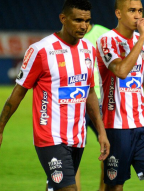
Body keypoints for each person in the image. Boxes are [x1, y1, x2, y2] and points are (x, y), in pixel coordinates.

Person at [0, 0, 110, 191]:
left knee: (55, 187)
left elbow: (90, 93)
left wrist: (102, 132)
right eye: (78, 20)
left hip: (77, 137)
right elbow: (18, 92)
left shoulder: (88, 49)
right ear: (63, 18)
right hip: (49, 137)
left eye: (87, 21)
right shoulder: (41, 50)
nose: (84, 26)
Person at [96, 0, 144, 191]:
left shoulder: (142, 42)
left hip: (142, 124)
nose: (138, 15)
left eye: (140, 10)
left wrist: (141, 39)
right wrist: (141, 39)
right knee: (114, 187)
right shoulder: (106, 40)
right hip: (115, 127)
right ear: (118, 13)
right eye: (131, 10)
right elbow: (121, 70)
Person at [46, 24, 110, 191]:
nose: (82, 23)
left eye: (85, 18)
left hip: (99, 102)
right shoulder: (64, 42)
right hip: (73, 104)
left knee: (110, 151)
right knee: (68, 153)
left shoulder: (103, 34)